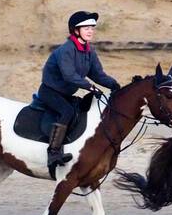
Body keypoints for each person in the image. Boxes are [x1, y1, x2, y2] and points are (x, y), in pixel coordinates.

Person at [37, 11, 120, 167]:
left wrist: (115, 85)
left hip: (66, 93)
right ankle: (53, 153)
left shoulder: (89, 51)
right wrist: (90, 87)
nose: (90, 31)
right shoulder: (66, 50)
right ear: (76, 31)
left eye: (92, 28)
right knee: (67, 112)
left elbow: (98, 74)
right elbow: (69, 75)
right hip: (50, 92)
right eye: (86, 28)